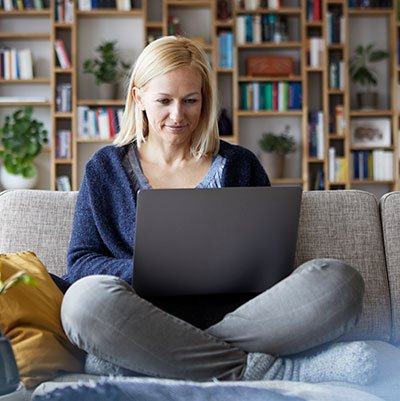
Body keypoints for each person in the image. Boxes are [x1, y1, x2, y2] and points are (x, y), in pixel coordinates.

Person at [60, 36, 376, 384]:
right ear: (139, 97)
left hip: (243, 317)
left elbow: (269, 264)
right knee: (83, 304)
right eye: (164, 100)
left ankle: (154, 358)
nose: (177, 115)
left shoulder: (240, 165)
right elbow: (81, 262)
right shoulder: (105, 168)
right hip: (142, 316)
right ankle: (268, 369)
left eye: (190, 100)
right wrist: (153, 271)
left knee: (340, 282)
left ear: (205, 99)